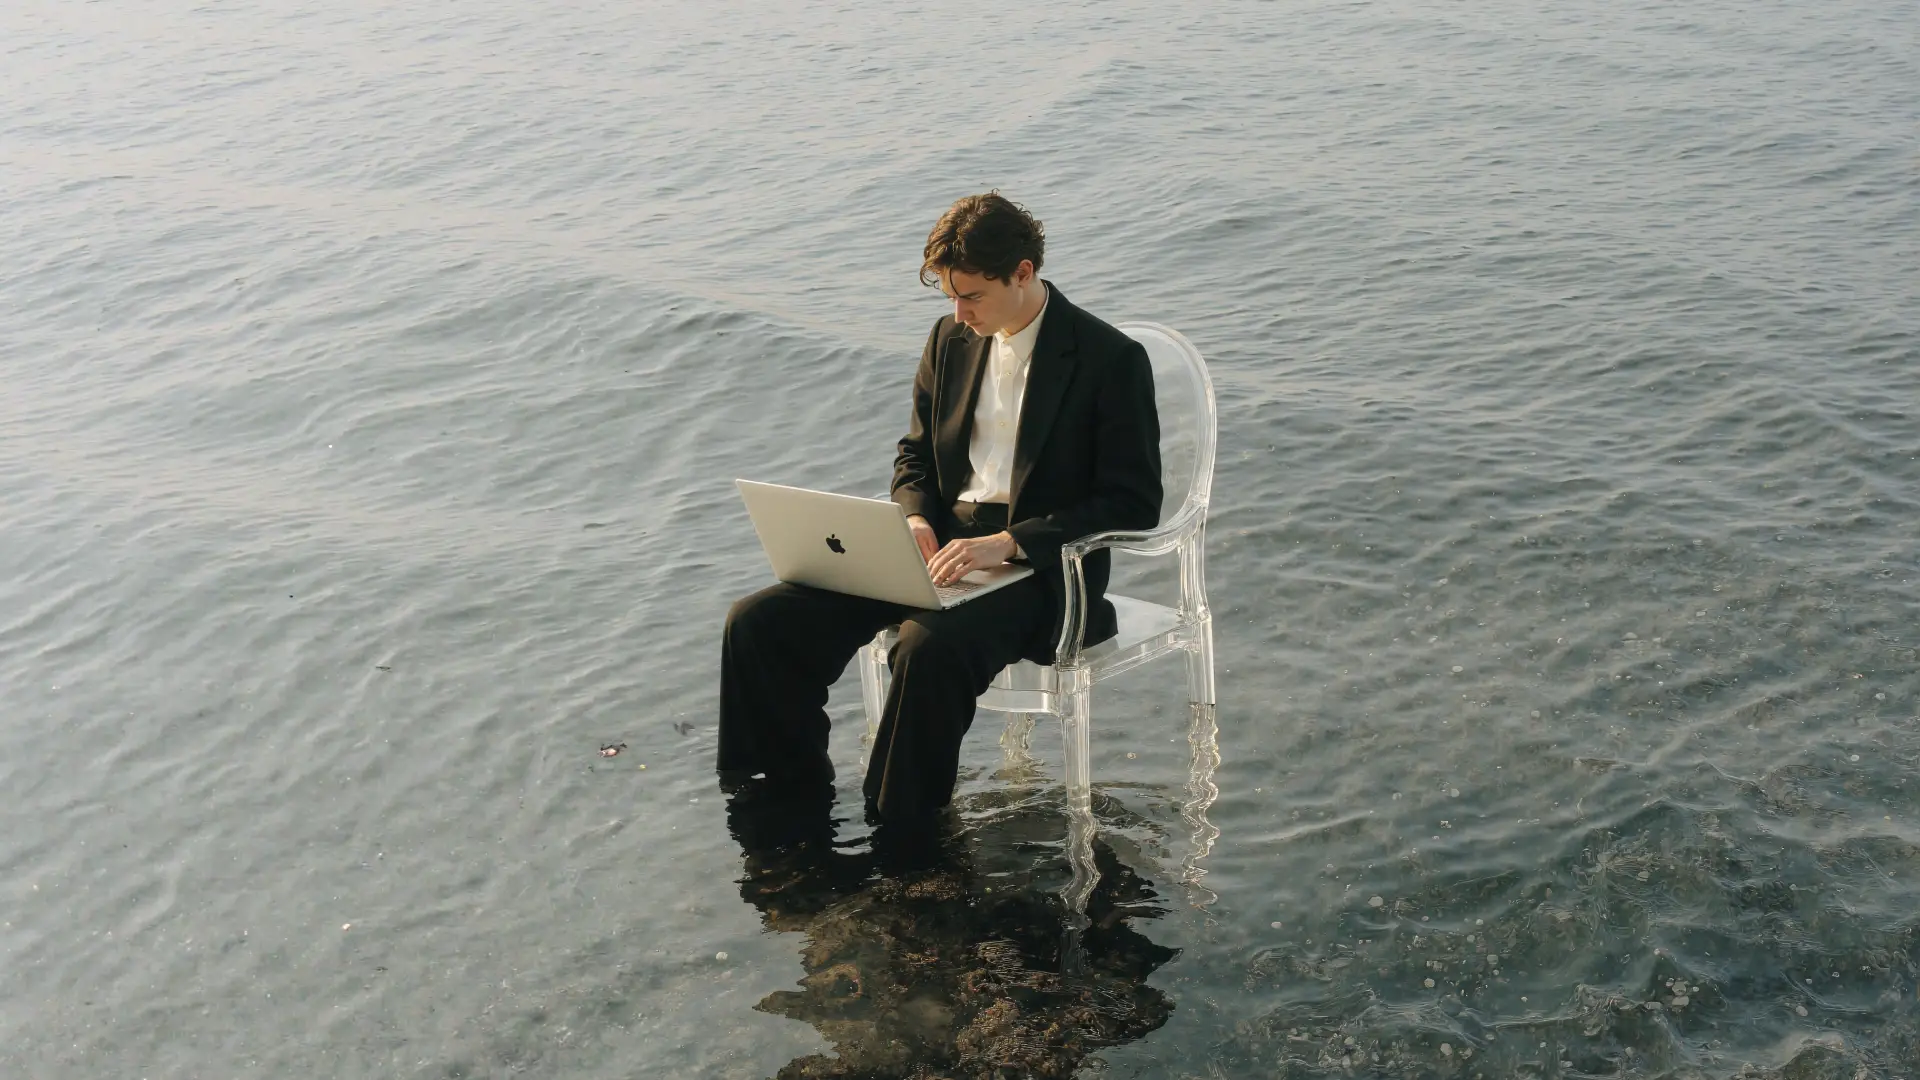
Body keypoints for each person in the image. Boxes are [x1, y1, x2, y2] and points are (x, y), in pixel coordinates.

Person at [717, 192, 1162, 824]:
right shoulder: (950, 339)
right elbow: (915, 458)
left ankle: (901, 827)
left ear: (1023, 274)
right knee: (759, 623)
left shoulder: (1110, 360)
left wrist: (1008, 543)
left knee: (927, 647)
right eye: (950, 296)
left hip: (1044, 570)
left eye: (972, 296)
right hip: (936, 549)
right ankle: (783, 803)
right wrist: (916, 517)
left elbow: (1134, 502)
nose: (959, 312)